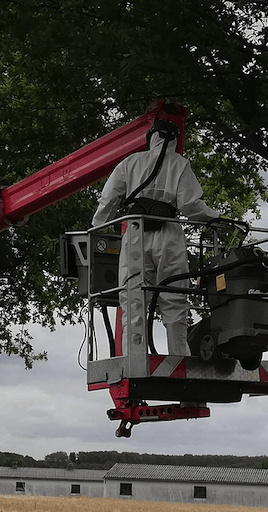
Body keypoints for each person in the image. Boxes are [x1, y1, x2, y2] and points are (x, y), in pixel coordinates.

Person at [90, 118, 220, 357]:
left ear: (151, 137)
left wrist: (97, 228)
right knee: (175, 296)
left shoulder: (130, 163)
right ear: (175, 140)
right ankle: (179, 357)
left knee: (133, 297)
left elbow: (108, 200)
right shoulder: (180, 165)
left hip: (136, 235)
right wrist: (217, 219)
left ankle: (134, 359)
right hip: (169, 233)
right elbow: (191, 205)